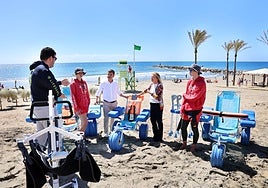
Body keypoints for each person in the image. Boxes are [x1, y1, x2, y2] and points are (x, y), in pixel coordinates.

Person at [29, 47, 70, 147]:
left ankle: (38, 155)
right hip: (45, 108)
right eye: (55, 59)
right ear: (50, 58)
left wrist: (60, 83)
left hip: (38, 107)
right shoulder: (44, 71)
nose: (54, 62)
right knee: (54, 133)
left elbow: (47, 84)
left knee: (42, 135)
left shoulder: (38, 69)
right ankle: (54, 157)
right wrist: (59, 94)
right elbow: (52, 85)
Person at [179, 64, 206, 152]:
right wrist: (182, 107)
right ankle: (184, 143)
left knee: (194, 128)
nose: (190, 71)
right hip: (187, 108)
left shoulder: (202, 83)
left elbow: (195, 97)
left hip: (196, 109)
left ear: (196, 72)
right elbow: (187, 95)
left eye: (192, 70)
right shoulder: (189, 82)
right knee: (183, 127)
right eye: (190, 70)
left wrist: (184, 96)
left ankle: (194, 144)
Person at [95, 69, 128, 137]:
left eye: (110, 74)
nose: (109, 76)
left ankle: (111, 131)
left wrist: (125, 96)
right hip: (106, 103)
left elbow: (118, 92)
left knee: (113, 118)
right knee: (106, 118)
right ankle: (106, 132)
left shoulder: (115, 83)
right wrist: (96, 100)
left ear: (113, 75)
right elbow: (98, 91)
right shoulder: (103, 83)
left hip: (114, 103)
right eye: (108, 74)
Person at [138, 72, 164, 142]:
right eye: (151, 77)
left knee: (159, 121)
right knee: (152, 120)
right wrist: (138, 95)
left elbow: (157, 97)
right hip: (152, 104)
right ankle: (155, 135)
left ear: (157, 78)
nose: (152, 78)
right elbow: (146, 90)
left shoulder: (160, 86)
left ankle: (160, 137)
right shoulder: (152, 84)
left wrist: (150, 92)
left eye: (153, 77)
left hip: (158, 105)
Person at [70, 68, 90, 132]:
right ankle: (78, 138)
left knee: (83, 123)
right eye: (79, 73)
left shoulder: (84, 82)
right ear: (76, 74)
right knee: (85, 123)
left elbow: (87, 93)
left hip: (85, 106)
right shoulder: (73, 83)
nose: (81, 74)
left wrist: (88, 102)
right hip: (79, 107)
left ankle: (82, 139)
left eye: (82, 73)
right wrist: (76, 108)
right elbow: (73, 97)